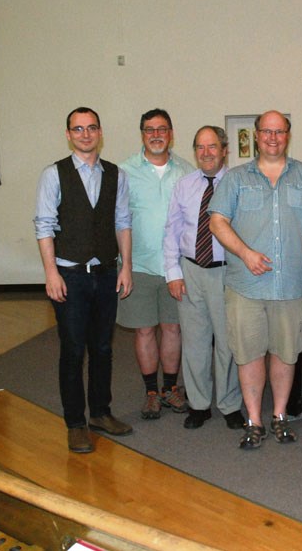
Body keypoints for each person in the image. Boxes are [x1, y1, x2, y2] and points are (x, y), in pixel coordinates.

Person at [209, 110, 302, 449]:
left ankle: (279, 417)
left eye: (280, 132)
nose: (273, 138)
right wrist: (245, 253)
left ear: (288, 135)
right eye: (267, 132)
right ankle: (254, 420)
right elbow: (217, 222)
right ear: (256, 135)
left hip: (291, 286)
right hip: (246, 286)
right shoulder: (235, 179)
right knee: (249, 355)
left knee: (286, 354)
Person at [34, 107, 133, 453]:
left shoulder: (115, 174)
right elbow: (44, 226)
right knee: (73, 350)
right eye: (78, 129)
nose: (85, 134)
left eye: (91, 128)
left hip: (106, 273)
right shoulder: (54, 174)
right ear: (68, 134)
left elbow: (122, 223)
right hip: (70, 275)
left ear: (100, 132)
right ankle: (75, 422)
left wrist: (126, 266)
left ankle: (101, 414)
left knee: (103, 348)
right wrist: (51, 273)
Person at [163, 126, 244, 430]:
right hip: (190, 271)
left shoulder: (237, 183)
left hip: (227, 271)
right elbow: (171, 231)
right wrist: (173, 273)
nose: (206, 153)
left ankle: (229, 403)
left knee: (228, 342)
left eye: (212, 147)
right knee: (195, 342)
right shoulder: (184, 185)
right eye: (200, 147)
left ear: (225, 150)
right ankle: (198, 404)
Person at [118, 108, 194, 419]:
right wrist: (123, 264)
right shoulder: (124, 172)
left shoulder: (186, 172)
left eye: (162, 129)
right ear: (142, 134)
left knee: (173, 328)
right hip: (139, 266)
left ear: (171, 133)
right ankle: (151, 390)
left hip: (177, 267)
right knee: (145, 331)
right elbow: (118, 219)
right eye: (149, 129)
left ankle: (170, 389)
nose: (156, 134)